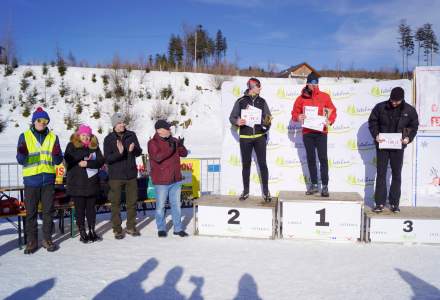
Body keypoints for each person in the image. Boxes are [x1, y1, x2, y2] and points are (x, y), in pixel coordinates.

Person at [16, 107, 63, 254]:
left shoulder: (53, 137)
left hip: (48, 181)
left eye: (45, 120)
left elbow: (58, 160)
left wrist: (57, 155)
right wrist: (22, 154)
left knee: (48, 211)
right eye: (39, 120)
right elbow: (20, 160)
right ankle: (32, 241)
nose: (42, 123)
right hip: (31, 182)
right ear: (34, 121)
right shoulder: (24, 136)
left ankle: (47, 239)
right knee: (31, 213)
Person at [368, 87, 418, 213]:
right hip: (383, 146)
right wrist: (376, 135)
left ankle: (394, 204)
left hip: (398, 147)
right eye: (392, 100)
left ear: (402, 99)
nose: (394, 103)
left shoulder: (409, 110)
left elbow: (413, 125)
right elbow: (372, 122)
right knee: (381, 174)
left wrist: (408, 137)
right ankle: (379, 203)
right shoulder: (380, 107)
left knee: (396, 174)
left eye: (397, 101)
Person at [291, 72, 337, 197]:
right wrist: (298, 116)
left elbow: (332, 111)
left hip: (321, 132)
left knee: (323, 159)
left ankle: (325, 186)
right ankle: (314, 185)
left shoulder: (325, 96)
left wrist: (330, 120)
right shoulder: (301, 98)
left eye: (316, 83)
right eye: (312, 84)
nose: (314, 86)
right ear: (307, 83)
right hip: (307, 133)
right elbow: (294, 113)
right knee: (311, 159)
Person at [229, 78, 272, 202]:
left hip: (259, 138)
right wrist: (237, 121)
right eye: (258, 86)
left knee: (263, 164)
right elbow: (232, 117)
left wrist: (265, 125)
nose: (260, 88)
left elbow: (268, 118)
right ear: (252, 87)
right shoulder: (241, 101)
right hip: (245, 138)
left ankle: (266, 191)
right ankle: (246, 191)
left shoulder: (262, 101)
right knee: (246, 165)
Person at [104, 112, 143, 239]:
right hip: (115, 176)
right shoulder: (108, 139)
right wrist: (120, 153)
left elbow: (139, 152)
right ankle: (117, 229)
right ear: (115, 125)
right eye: (120, 123)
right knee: (115, 203)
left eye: (123, 122)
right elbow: (107, 159)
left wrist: (134, 149)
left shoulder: (132, 135)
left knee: (132, 202)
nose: (123, 124)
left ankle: (131, 226)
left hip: (131, 175)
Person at [148, 120, 189, 237]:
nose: (170, 130)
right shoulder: (152, 143)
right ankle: (161, 228)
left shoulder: (174, 141)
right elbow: (158, 157)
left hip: (175, 179)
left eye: (170, 128)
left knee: (176, 205)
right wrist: (171, 148)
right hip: (161, 181)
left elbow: (184, 153)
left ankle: (178, 228)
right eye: (167, 128)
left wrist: (180, 145)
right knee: (160, 206)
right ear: (159, 130)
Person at [64, 124, 105, 243]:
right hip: (77, 184)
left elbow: (100, 161)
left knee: (91, 210)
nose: (86, 138)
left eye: (88, 135)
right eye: (83, 135)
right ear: (78, 135)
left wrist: (88, 164)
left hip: (92, 184)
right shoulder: (71, 145)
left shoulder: (94, 146)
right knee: (80, 210)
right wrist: (82, 154)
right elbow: (68, 159)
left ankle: (92, 230)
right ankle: (82, 231)